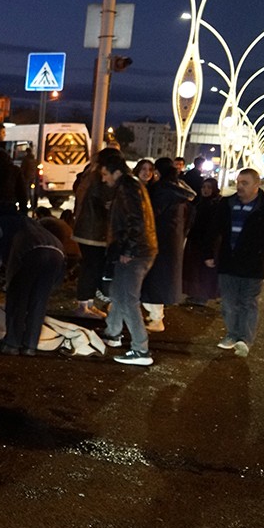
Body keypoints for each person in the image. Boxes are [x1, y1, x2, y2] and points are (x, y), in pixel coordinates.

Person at [208, 168, 264, 358]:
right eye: (238, 182)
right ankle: (232, 335)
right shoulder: (226, 204)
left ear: (257, 185)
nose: (240, 186)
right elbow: (214, 231)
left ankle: (244, 340)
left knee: (248, 303)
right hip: (228, 263)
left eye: (245, 183)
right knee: (229, 303)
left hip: (253, 264)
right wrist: (208, 254)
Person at [0, 202, 66, 357]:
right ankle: (30, 346)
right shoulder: (27, 221)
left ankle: (12, 344)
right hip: (57, 252)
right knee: (38, 301)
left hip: (29, 251)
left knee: (17, 299)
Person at [99, 150, 157, 366]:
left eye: (105, 174)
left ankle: (141, 349)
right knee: (118, 293)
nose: (103, 179)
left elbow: (137, 220)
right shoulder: (130, 186)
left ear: (115, 172)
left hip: (136, 252)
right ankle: (112, 333)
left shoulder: (127, 187)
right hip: (139, 249)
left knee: (127, 299)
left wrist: (129, 250)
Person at [140, 157, 195, 332]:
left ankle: (156, 318)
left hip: (158, 239)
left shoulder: (162, 190)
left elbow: (151, 215)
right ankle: (155, 316)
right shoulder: (180, 189)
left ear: (158, 171)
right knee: (161, 279)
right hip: (173, 240)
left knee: (154, 280)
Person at [70, 153, 113, 319]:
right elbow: (104, 202)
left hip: (85, 229)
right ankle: (84, 306)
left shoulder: (88, 174)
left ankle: (87, 303)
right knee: (91, 268)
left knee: (90, 267)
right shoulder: (98, 178)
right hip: (93, 232)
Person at [181, 177, 223, 304]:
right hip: (196, 239)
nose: (205, 190)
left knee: (203, 270)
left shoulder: (215, 204)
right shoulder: (201, 201)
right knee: (194, 269)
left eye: (209, 187)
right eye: (204, 187)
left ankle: (202, 296)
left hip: (206, 240)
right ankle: (196, 294)